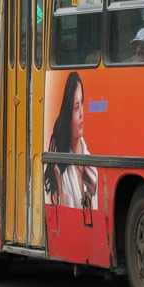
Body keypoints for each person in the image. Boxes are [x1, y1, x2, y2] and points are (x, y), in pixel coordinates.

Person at [43, 71, 97, 209]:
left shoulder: (91, 170)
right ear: (68, 115)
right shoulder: (60, 168)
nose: (81, 114)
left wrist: (88, 196)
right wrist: (59, 181)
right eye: (76, 107)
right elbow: (63, 216)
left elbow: (91, 215)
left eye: (82, 103)